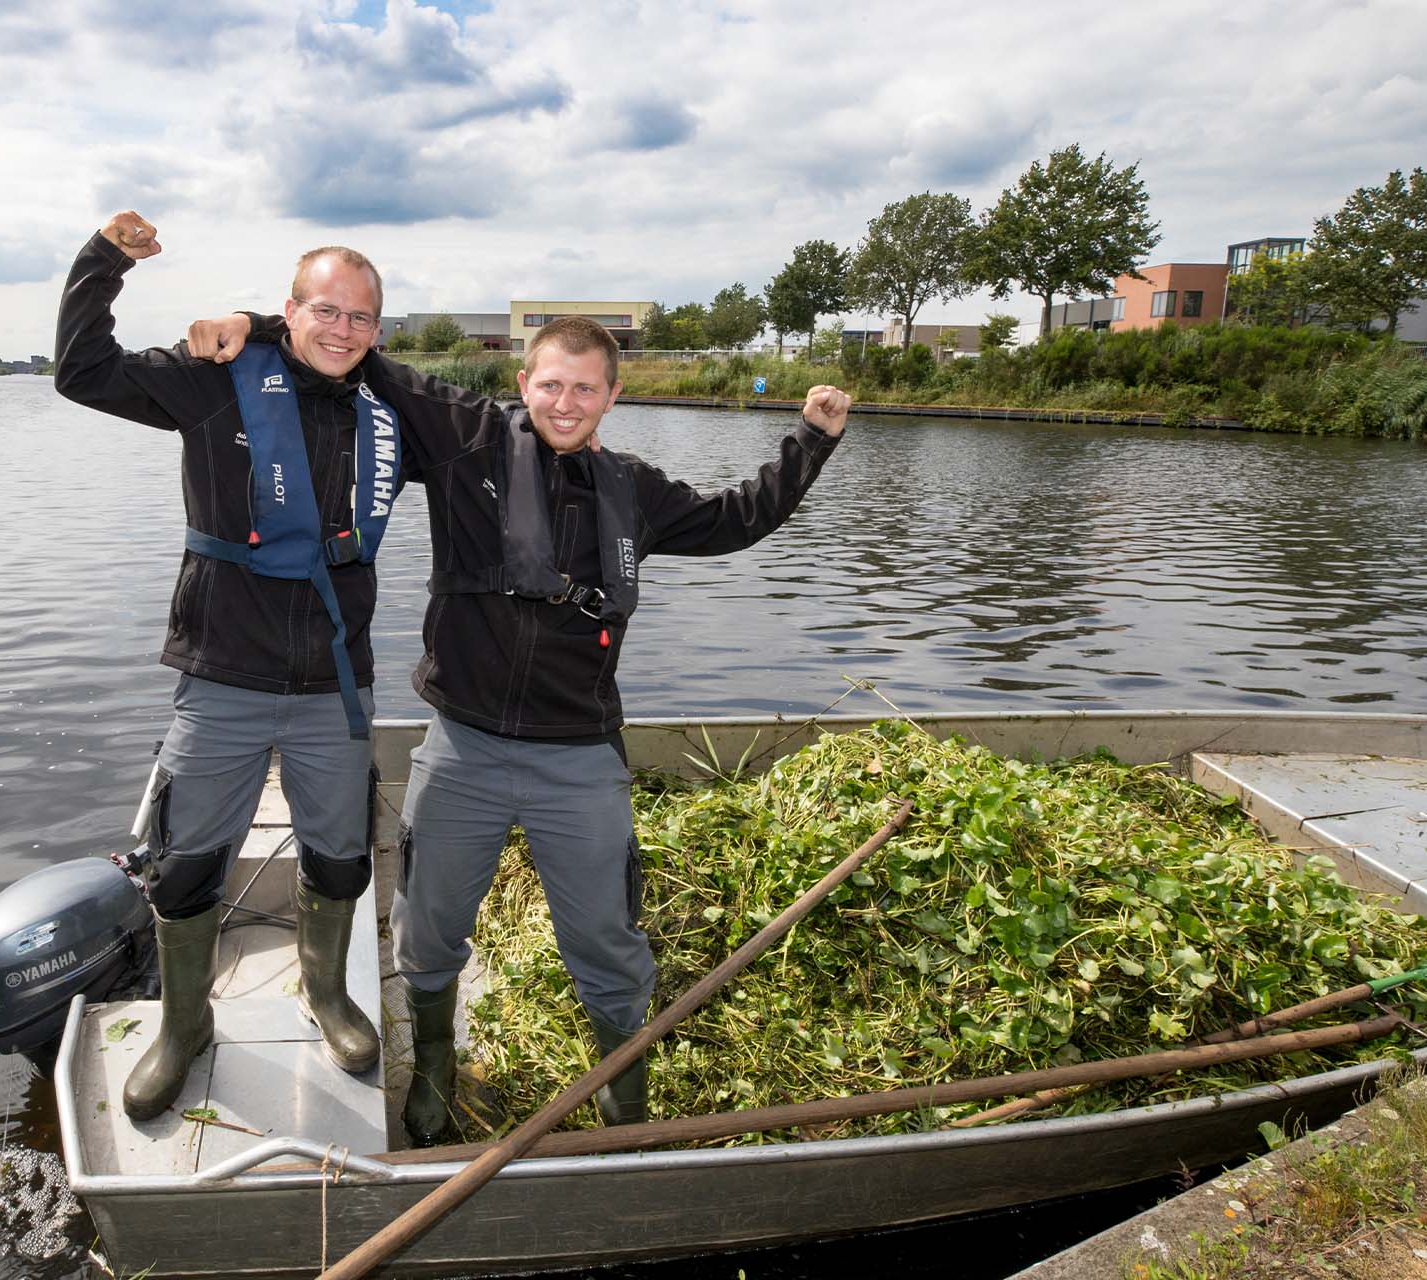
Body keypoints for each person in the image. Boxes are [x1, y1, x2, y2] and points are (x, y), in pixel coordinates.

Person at [190, 310, 847, 1142]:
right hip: (463, 746)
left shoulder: (636, 489)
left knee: (606, 944)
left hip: (578, 756)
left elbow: (736, 519)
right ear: (523, 384)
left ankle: (620, 1094)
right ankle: (432, 1068)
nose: (565, 403)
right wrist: (250, 323)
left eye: (584, 388)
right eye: (549, 384)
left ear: (613, 394)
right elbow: (353, 347)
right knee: (427, 932)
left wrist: (811, 442)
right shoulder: (467, 446)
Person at [55, 212, 466, 1120]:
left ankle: (324, 995)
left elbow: (491, 440)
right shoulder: (218, 380)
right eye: (324, 311)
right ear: (291, 308)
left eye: (362, 319)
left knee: (339, 857)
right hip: (222, 675)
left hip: (334, 684)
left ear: (379, 331)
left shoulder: (393, 411)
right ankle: (184, 1024)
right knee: (185, 863)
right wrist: (104, 263)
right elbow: (81, 372)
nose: (342, 330)